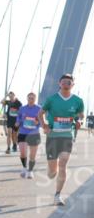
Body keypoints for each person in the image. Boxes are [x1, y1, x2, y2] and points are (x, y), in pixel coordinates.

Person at [40, 73, 86, 206]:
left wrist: (79, 121)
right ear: (59, 84)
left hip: (67, 135)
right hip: (53, 136)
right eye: (64, 81)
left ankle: (57, 195)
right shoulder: (51, 99)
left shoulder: (78, 100)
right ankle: (50, 171)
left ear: (72, 85)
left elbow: (81, 115)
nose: (66, 83)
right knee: (52, 172)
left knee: (63, 164)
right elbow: (40, 113)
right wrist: (44, 126)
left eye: (69, 82)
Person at [15, 92, 42, 178]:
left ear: (35, 99)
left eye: (33, 98)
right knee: (23, 153)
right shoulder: (22, 108)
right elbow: (18, 117)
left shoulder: (39, 109)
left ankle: (30, 171)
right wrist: (17, 122)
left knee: (32, 155)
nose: (31, 100)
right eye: (29, 98)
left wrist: (38, 122)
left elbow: (42, 121)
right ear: (27, 98)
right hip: (23, 132)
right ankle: (24, 167)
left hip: (34, 133)